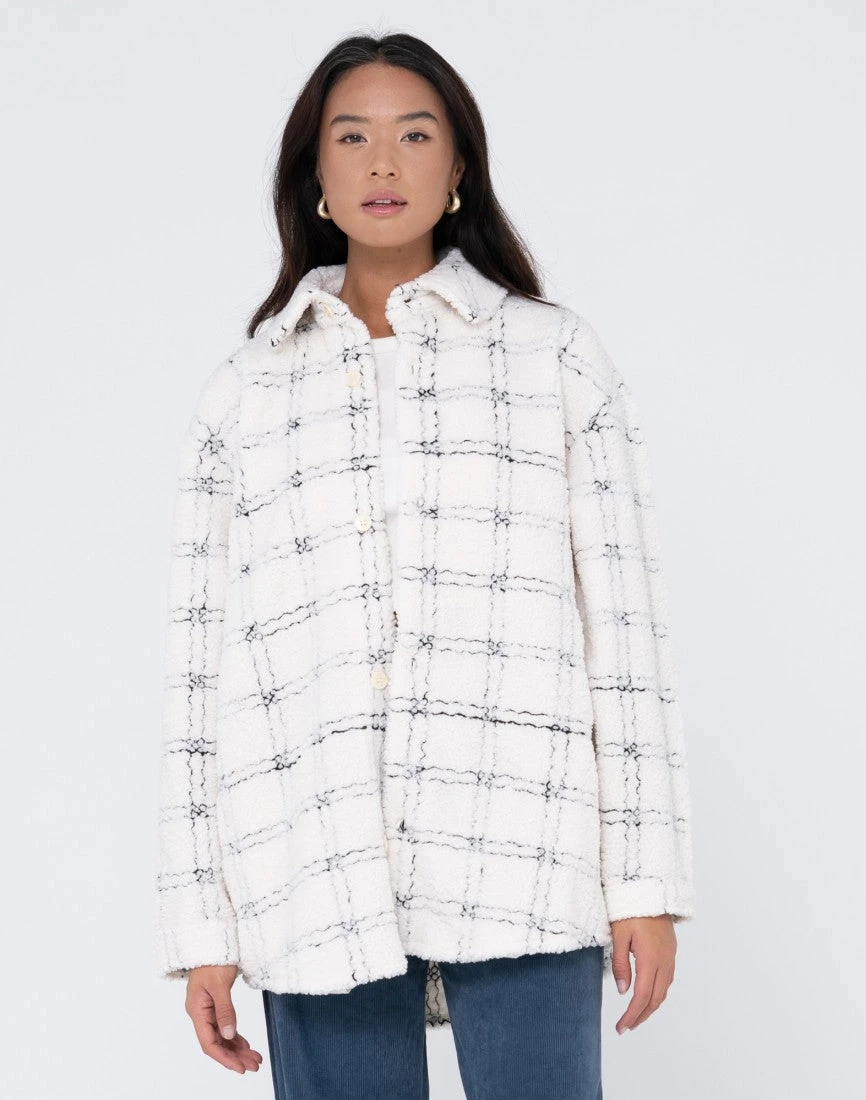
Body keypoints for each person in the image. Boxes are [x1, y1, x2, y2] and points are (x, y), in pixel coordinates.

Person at [154, 31, 696, 1100]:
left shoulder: (552, 358)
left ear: (458, 170)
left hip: (522, 845)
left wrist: (645, 879)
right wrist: (199, 926)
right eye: (351, 137)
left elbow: (624, 633)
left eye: (413, 135)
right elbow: (199, 675)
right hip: (310, 863)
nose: (382, 163)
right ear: (314, 175)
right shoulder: (246, 394)